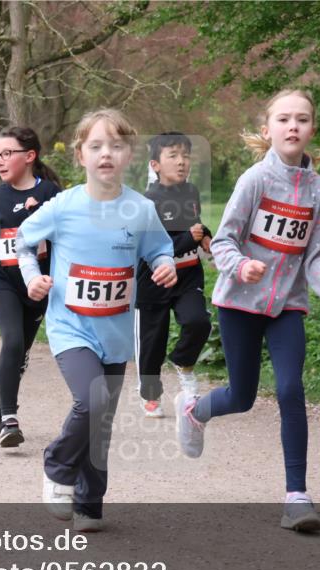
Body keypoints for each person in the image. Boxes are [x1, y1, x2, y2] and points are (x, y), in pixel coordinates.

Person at [174, 89, 320, 533]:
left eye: (302, 119)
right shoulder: (254, 180)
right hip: (239, 303)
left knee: (291, 388)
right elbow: (224, 239)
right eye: (284, 119)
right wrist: (242, 265)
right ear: (267, 129)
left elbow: (316, 255)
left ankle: (297, 497)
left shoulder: (318, 189)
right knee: (243, 396)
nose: (293, 127)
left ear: (312, 130)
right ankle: (196, 410)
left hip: (287, 304)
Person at [15, 109, 177, 532]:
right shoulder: (64, 206)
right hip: (71, 326)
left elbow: (159, 249)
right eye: (96, 146)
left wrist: (165, 265)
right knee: (92, 400)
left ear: (129, 155)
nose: (107, 154)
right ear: (80, 155)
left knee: (100, 423)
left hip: (117, 332)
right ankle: (56, 464)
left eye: (116, 146)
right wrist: (32, 277)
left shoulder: (141, 209)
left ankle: (89, 504)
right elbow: (23, 241)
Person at [0, 126, 62, 446]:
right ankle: (11, 420)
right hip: (4, 281)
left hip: (38, 285)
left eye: (7, 153)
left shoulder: (50, 194)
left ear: (29, 156)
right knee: (12, 342)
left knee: (20, 352)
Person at [135, 132, 212, 418]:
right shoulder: (146, 202)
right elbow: (148, 248)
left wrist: (205, 236)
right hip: (153, 280)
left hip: (188, 276)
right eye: (173, 156)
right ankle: (150, 394)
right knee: (152, 341)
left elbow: (194, 225)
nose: (182, 162)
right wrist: (189, 240)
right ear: (155, 164)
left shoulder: (191, 192)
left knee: (198, 322)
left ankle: (182, 361)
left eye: (186, 156)